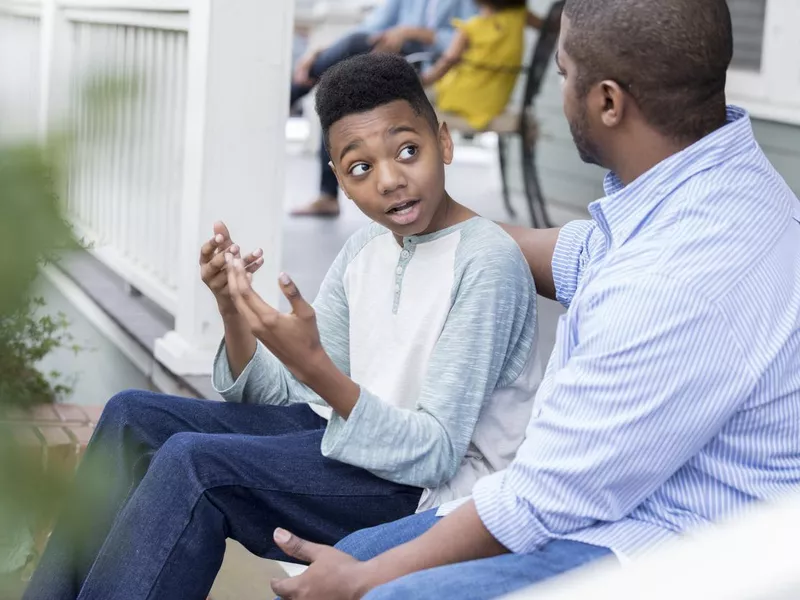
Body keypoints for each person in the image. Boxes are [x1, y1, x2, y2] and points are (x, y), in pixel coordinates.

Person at [269, 0, 800, 598]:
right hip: (629, 492)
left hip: (683, 544)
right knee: (358, 551)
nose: (560, 88)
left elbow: (541, 498)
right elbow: (582, 255)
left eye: (565, 73)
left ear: (607, 101)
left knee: (382, 588)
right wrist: (440, 230)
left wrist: (366, 579)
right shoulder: (715, 183)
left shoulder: (672, 283)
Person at [23, 53, 542, 600]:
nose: (390, 180)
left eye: (408, 150)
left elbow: (437, 451)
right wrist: (233, 310)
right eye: (361, 167)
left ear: (444, 141)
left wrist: (315, 366)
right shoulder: (365, 247)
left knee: (195, 465)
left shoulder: (486, 261)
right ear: (340, 178)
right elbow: (295, 399)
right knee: (133, 414)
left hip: (424, 492)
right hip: (347, 442)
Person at [290, 0, 479, 217]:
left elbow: (469, 41)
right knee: (341, 84)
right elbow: (370, 28)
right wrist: (321, 50)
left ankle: (292, 95)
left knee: (345, 59)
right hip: (388, 60)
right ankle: (327, 196)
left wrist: (412, 33)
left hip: (430, 68)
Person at [421, 0, 543, 130]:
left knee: (415, 99)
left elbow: (446, 63)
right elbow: (546, 25)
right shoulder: (520, 16)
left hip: (463, 97)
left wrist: (422, 80)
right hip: (496, 100)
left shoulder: (471, 28)